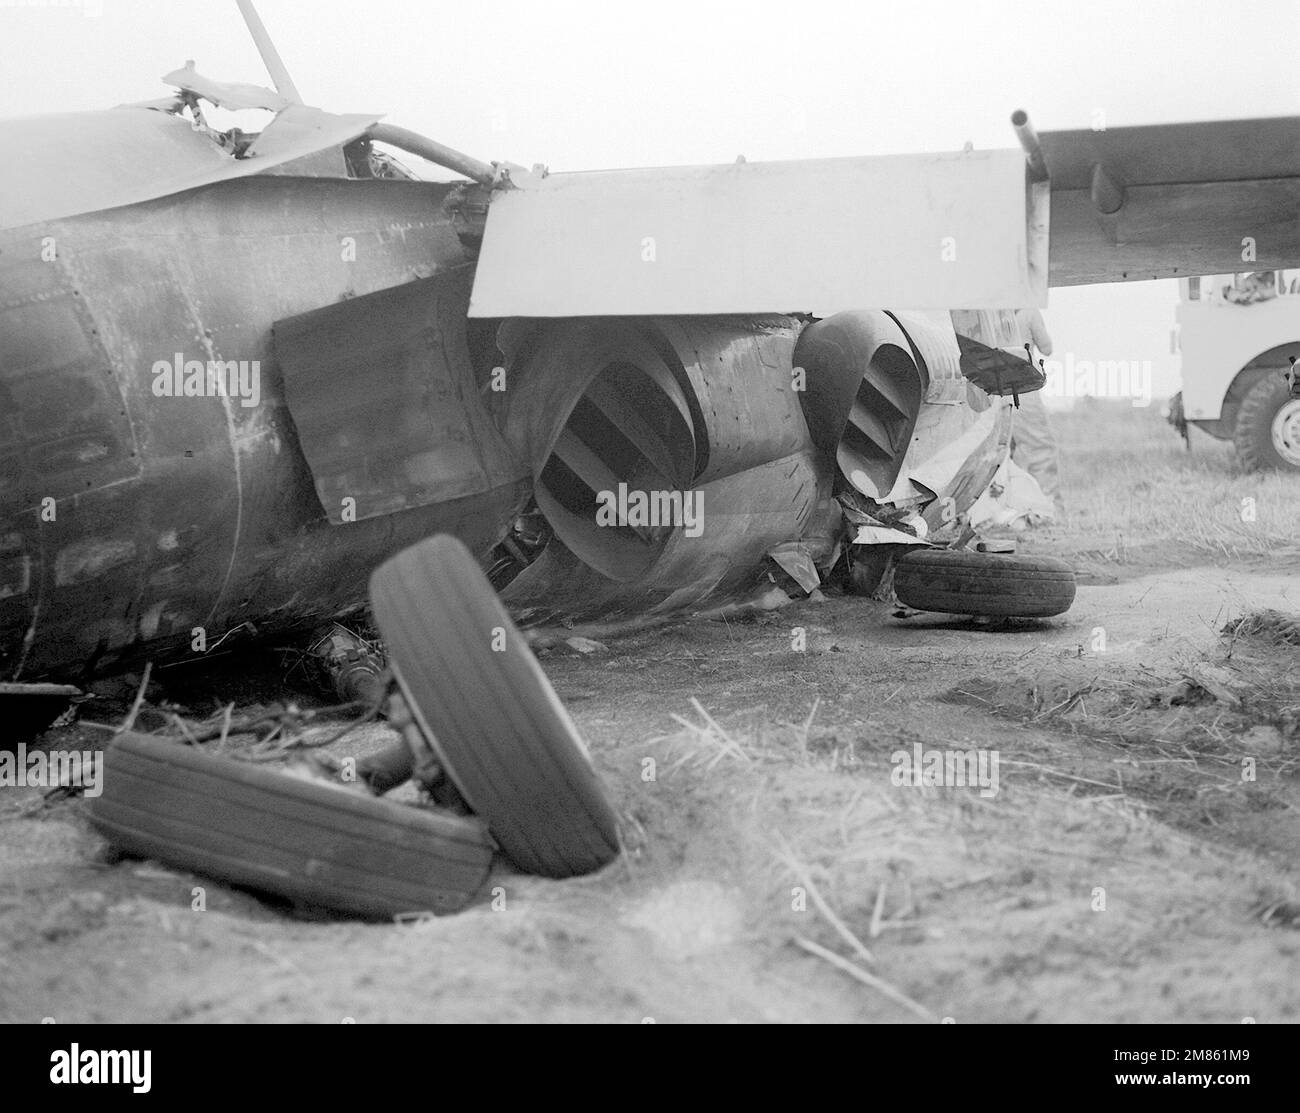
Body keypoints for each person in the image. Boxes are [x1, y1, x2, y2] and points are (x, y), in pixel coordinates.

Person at [1004, 307, 1063, 518]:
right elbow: (1047, 348)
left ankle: (1000, 508)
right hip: (1023, 387)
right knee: (1041, 450)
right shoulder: (1029, 311)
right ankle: (1047, 508)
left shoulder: (990, 310)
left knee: (1000, 455)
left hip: (993, 387)